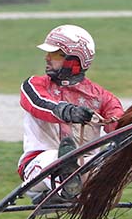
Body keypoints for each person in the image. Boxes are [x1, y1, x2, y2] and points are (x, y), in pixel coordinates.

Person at [18, 24, 124, 202]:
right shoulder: (34, 85)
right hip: (38, 163)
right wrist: (67, 111)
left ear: (75, 61)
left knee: (116, 161)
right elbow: (39, 103)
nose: (47, 58)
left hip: (87, 164)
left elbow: (120, 126)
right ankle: (66, 183)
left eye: (55, 54)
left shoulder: (103, 98)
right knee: (59, 159)